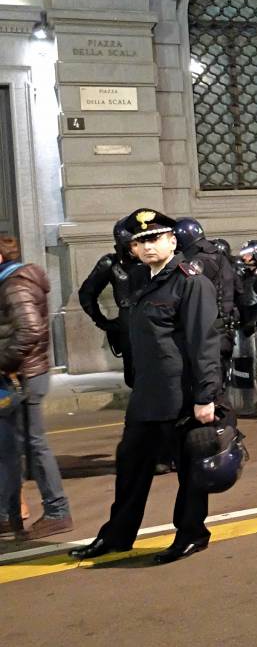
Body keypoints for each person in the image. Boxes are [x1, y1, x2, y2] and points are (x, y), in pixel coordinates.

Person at [70, 209, 224, 564]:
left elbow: (204, 343)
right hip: (147, 393)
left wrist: (205, 396)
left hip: (180, 394)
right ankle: (117, 536)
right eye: (140, 241)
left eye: (154, 238)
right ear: (133, 250)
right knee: (130, 467)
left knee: (189, 471)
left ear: (172, 241)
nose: (147, 246)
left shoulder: (190, 281)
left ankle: (191, 534)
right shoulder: (139, 280)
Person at [0, 234, 73, 540]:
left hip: (24, 375)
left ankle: (57, 511)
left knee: (32, 443)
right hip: (21, 374)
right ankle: (8, 516)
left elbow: (30, 329)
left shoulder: (14, 285)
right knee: (10, 447)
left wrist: (3, 361)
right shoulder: (11, 282)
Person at [78, 219, 144, 387]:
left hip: (157, 323)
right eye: (135, 243)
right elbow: (87, 293)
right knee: (135, 377)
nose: (142, 247)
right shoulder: (111, 263)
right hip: (129, 325)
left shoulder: (153, 259)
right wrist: (102, 321)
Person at [175, 218, 237, 378]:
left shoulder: (196, 261)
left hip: (206, 330)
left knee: (207, 381)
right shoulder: (219, 256)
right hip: (223, 328)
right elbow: (239, 290)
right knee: (218, 379)